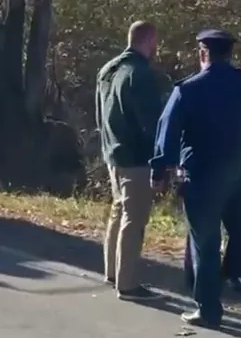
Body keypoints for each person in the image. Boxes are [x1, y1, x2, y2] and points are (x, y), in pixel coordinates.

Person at [151, 29, 241, 328]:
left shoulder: (188, 89)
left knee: (205, 244)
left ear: (203, 53)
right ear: (229, 54)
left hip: (202, 179)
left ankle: (208, 309)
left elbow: (166, 133)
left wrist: (160, 172)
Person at [95, 20, 163, 301]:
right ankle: (128, 284)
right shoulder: (140, 74)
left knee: (118, 211)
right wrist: (160, 158)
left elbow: (99, 113)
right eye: (155, 41)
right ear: (148, 40)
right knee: (134, 220)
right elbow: (151, 123)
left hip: (113, 152)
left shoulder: (107, 69)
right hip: (135, 157)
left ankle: (113, 271)